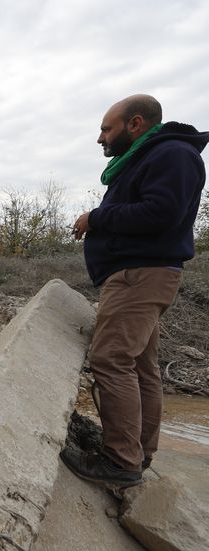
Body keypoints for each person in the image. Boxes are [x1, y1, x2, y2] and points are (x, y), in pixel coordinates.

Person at [64, 94, 207, 487]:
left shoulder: (172, 155)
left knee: (111, 360)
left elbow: (161, 213)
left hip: (140, 276)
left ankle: (120, 460)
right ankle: (138, 452)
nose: (100, 139)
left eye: (106, 129)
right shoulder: (152, 157)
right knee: (141, 366)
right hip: (140, 274)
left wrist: (95, 217)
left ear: (135, 123)